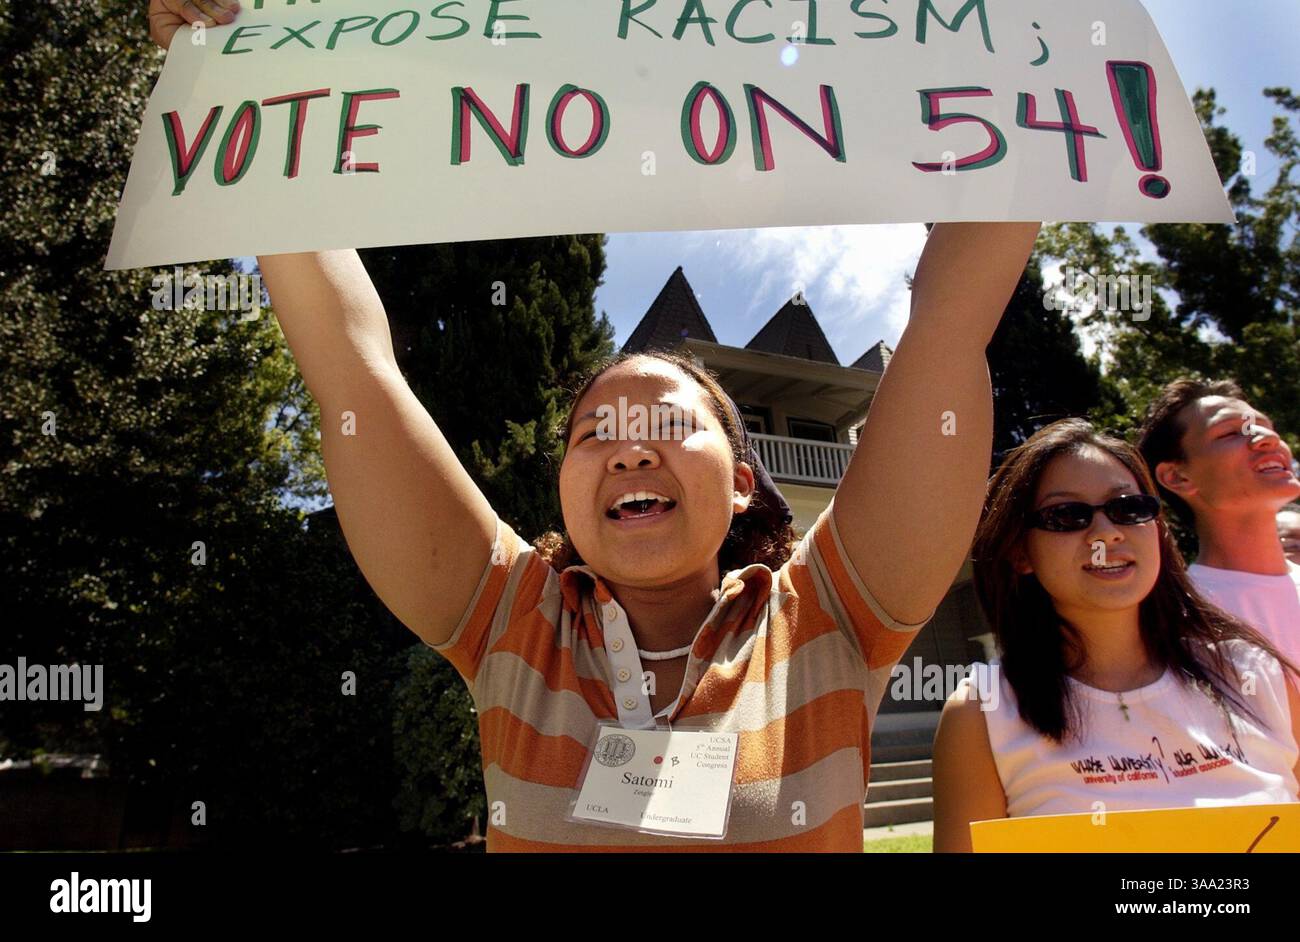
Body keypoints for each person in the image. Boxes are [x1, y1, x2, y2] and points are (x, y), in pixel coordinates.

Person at [148, 0, 1039, 850]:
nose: (629, 445)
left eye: (665, 421)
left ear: (740, 482)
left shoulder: (828, 622)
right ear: (565, 490)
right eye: (592, 433)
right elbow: (350, 364)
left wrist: (1022, 70)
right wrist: (245, 92)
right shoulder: (507, 621)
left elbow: (950, 323)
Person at [932, 420, 1300, 853]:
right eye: (1067, 516)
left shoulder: (1259, 674)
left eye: (1129, 507)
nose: (1107, 533)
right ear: (1020, 552)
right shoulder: (981, 713)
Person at [1135, 379, 1300, 666]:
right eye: (1231, 432)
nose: (1267, 438)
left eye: (1268, 427)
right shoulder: (1180, 620)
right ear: (1177, 477)